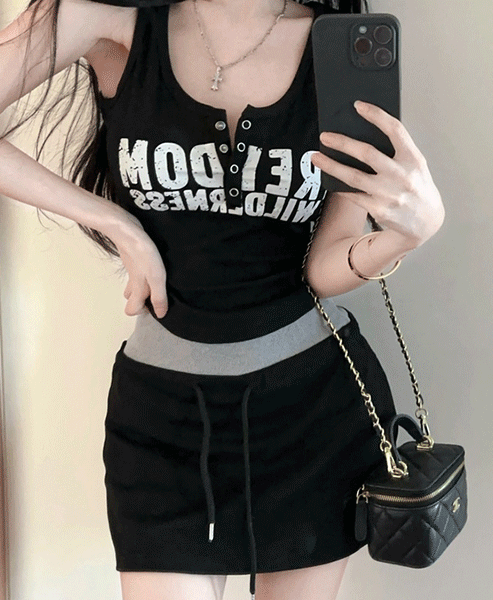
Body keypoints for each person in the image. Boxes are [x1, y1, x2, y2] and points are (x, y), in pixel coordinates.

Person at [0, 0, 445, 598]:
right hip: (162, 424)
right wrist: (115, 222)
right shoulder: (108, 23)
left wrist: (402, 237)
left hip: (312, 418)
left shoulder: (337, 50)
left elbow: (322, 267)